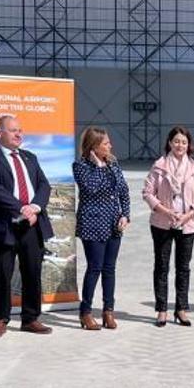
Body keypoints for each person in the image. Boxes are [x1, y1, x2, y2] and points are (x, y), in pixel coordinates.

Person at [0, 114, 54, 338]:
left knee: (32, 272)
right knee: (1, 274)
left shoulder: (30, 157)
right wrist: (22, 208)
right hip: (4, 225)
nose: (19, 134)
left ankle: (30, 318)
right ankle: (0, 319)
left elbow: (44, 185)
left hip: (31, 224)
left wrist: (35, 207)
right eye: (13, 130)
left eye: (20, 130)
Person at [141, 126, 194, 327]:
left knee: (183, 267)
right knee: (161, 267)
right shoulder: (159, 166)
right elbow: (147, 192)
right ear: (170, 143)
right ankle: (162, 310)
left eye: (184, 142)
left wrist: (189, 214)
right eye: (176, 141)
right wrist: (163, 210)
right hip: (162, 222)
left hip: (187, 224)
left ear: (189, 146)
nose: (180, 145)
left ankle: (181, 309)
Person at [73, 126, 131, 330]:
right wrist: (98, 167)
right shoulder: (80, 166)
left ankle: (108, 311)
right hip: (92, 223)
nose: (110, 145)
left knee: (109, 269)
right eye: (106, 143)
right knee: (95, 268)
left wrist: (125, 214)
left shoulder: (113, 163)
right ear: (94, 146)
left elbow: (123, 190)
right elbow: (91, 189)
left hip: (114, 223)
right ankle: (85, 312)